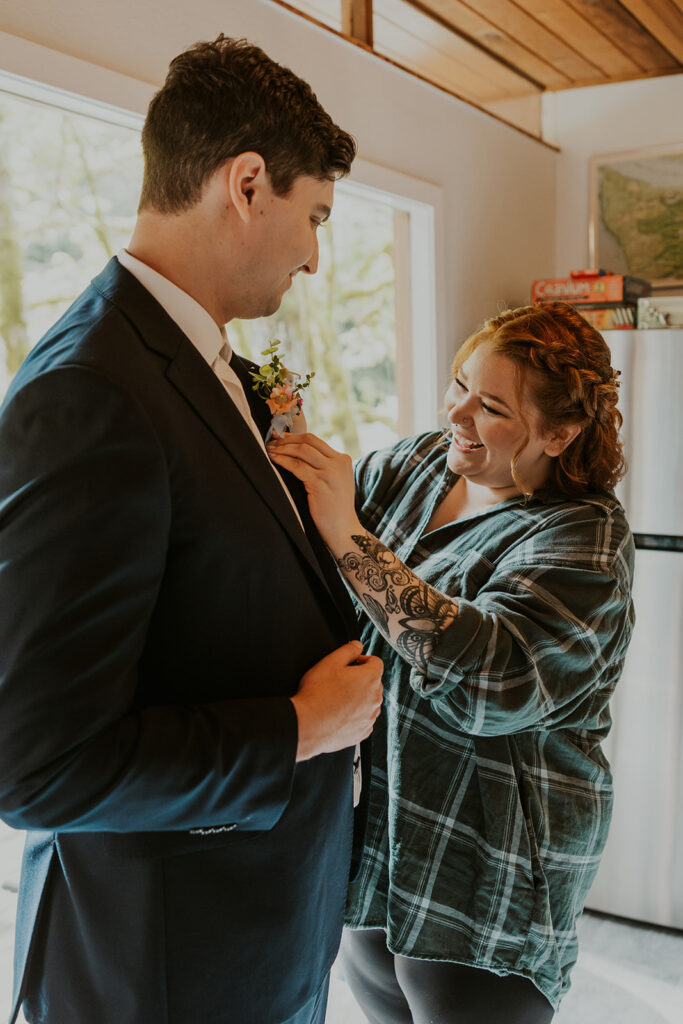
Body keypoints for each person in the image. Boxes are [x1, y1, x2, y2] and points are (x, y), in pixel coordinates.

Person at [0, 35, 384, 1024]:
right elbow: (38, 764)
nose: (312, 254)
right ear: (245, 183)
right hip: (165, 967)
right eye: (314, 218)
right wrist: (301, 729)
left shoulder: (196, 357)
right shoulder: (90, 392)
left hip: (253, 931)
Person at [267, 301, 635, 1023]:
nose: (456, 415)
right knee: (377, 991)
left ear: (558, 433)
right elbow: (313, 554)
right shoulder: (415, 468)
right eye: (457, 385)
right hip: (381, 819)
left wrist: (344, 528)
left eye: (491, 405)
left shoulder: (584, 538)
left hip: (490, 847)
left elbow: (486, 682)